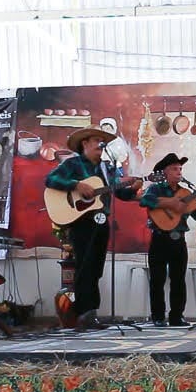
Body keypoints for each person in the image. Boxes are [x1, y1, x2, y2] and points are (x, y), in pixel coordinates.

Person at [45, 127, 141, 330]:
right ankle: (82, 313)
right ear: (85, 144)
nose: (100, 144)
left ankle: (90, 313)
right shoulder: (73, 163)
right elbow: (50, 180)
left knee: (96, 267)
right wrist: (76, 185)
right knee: (84, 265)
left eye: (101, 141)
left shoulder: (108, 168)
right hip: (81, 221)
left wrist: (131, 188)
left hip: (100, 219)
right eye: (96, 140)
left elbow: (119, 193)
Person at [139, 153, 196, 327]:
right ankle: (158, 316)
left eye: (180, 169)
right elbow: (145, 201)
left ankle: (176, 316)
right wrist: (170, 203)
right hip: (159, 238)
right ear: (165, 171)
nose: (179, 171)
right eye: (175, 169)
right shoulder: (156, 188)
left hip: (178, 240)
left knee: (178, 279)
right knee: (157, 279)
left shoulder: (186, 192)